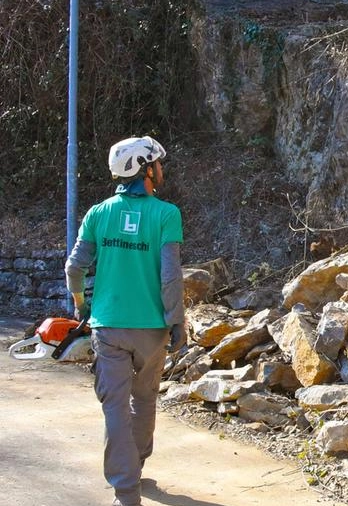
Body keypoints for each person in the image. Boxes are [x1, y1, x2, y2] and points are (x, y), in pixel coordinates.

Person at [65, 136, 187, 506]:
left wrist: (81, 303)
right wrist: (176, 321)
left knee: (115, 406)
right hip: (152, 330)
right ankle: (137, 462)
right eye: (158, 164)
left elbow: (75, 267)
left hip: (109, 327)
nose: (162, 170)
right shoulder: (167, 214)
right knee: (145, 398)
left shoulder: (98, 213)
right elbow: (170, 277)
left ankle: (126, 489)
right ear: (146, 169)